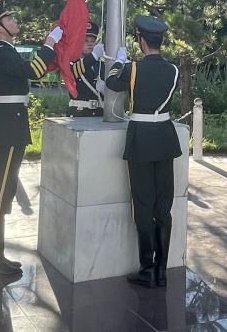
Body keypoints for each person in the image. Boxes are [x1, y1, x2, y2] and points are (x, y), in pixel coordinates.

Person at [0, 0, 61, 277]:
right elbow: (33, 71)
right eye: (9, 18)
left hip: (8, 125)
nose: (15, 21)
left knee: (2, 190)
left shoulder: (4, 50)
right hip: (6, 129)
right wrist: (49, 44)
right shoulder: (1, 52)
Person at [105, 15, 181, 288]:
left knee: (143, 206)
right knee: (164, 207)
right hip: (165, 139)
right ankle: (162, 271)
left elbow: (111, 83)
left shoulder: (133, 68)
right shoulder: (173, 70)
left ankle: (147, 269)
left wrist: (119, 63)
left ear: (141, 41)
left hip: (141, 139)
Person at [67, 21, 106, 117]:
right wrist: (93, 56)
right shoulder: (70, 63)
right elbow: (73, 72)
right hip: (79, 113)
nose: (90, 44)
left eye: (93, 41)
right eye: (85, 41)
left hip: (99, 114)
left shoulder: (101, 65)